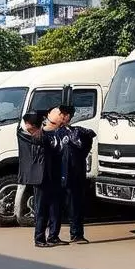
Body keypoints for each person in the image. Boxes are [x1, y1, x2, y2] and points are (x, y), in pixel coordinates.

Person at [48, 105, 96, 245]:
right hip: (57, 175)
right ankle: (52, 235)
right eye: (60, 114)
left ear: (69, 116)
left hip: (74, 175)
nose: (62, 117)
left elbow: (87, 142)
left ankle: (76, 234)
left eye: (64, 114)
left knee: (75, 205)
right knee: (55, 207)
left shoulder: (77, 132)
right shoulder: (51, 132)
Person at [17, 111, 61, 249]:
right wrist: (49, 128)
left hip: (51, 175)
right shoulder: (25, 135)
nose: (26, 125)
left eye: (28, 123)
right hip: (38, 178)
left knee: (55, 207)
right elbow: (40, 139)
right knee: (41, 209)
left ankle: (53, 236)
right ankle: (39, 238)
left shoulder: (46, 135)